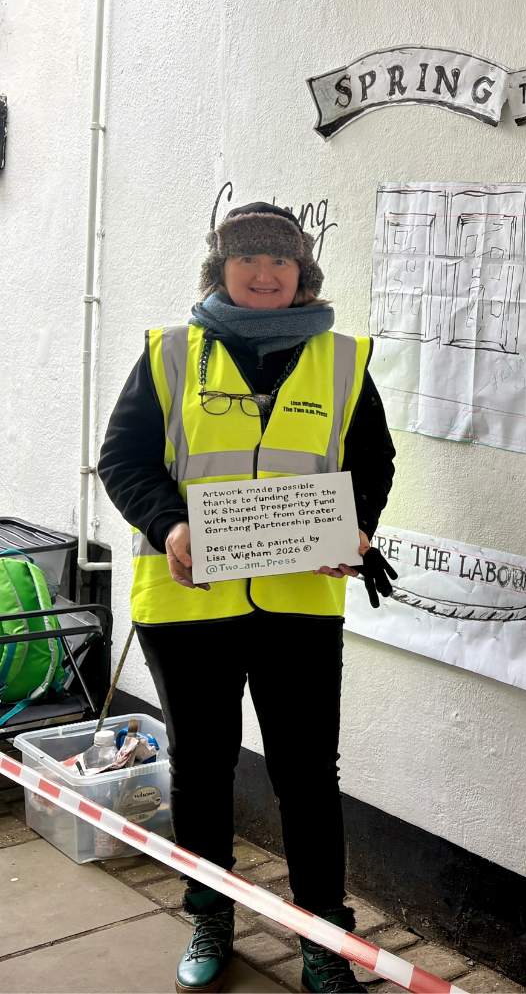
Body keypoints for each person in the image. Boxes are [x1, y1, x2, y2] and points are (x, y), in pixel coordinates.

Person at [99, 202, 396, 994]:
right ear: (220, 268)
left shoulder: (342, 358)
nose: (265, 274)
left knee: (308, 775)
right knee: (202, 769)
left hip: (300, 604)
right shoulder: (169, 354)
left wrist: (357, 526)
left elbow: (373, 461)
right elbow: (123, 460)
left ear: (303, 272)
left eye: (280, 260)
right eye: (247, 259)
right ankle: (210, 914)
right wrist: (168, 525)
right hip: (188, 606)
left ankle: (323, 937)